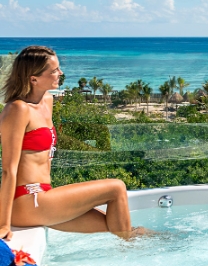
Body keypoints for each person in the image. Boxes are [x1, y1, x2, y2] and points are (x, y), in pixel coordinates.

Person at [0, 46, 136, 241]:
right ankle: (132, 250)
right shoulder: (18, 109)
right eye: (54, 70)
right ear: (33, 79)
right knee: (116, 187)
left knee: (118, 227)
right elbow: (8, 170)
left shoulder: (47, 101)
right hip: (27, 200)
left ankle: (145, 246)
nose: (60, 73)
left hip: (45, 196)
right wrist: (3, 225)